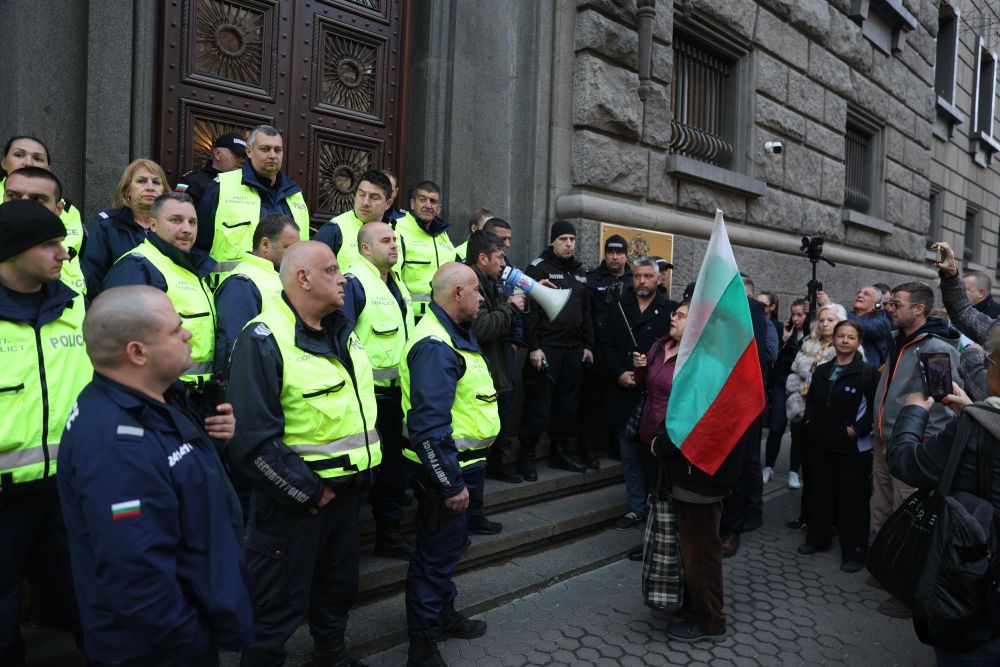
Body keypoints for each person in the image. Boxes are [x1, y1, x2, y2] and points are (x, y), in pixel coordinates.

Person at [58, 286, 253, 665]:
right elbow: (137, 578)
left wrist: (212, 442)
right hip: (162, 649)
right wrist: (192, 641)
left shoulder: (153, 400)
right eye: (175, 329)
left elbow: (177, 487)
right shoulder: (116, 446)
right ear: (137, 352)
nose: (189, 334)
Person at [227, 241, 380, 666]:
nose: (343, 277)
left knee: (337, 591)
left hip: (346, 497)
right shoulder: (263, 338)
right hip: (296, 507)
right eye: (331, 270)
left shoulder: (343, 331)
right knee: (274, 609)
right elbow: (252, 442)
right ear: (303, 278)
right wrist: (308, 492)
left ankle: (331, 656)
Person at [0, 200, 91, 665]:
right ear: (14, 250)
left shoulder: (72, 308)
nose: (64, 252)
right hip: (5, 498)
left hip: (65, 488)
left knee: (87, 595)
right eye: (50, 243)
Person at [399, 262, 496, 667]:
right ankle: (422, 644)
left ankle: (443, 612)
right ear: (457, 292)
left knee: (447, 551)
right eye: (476, 290)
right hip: (448, 470)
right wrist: (451, 483)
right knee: (433, 557)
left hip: (466, 465)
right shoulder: (435, 345)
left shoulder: (456, 333)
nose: (482, 297)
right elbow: (429, 428)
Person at [888, 330, 1000, 665]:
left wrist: (913, 413)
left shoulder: (978, 429)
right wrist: (972, 411)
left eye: (989, 359)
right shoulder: (980, 421)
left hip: (977, 587)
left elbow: (906, 463)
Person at [643, 301, 742, 642]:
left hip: (700, 475)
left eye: (683, 316)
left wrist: (661, 446)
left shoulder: (709, 369)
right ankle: (693, 605)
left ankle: (709, 620)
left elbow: (692, 423)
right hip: (690, 473)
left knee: (701, 552)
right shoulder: (706, 364)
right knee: (692, 548)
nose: (673, 317)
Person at [873, 281, 962, 619]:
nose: (889, 308)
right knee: (884, 510)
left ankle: (907, 592)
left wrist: (922, 450)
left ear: (918, 309)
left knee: (909, 520)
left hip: (912, 449)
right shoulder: (900, 341)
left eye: (896, 304)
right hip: (885, 443)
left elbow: (941, 405)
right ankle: (886, 571)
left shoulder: (935, 348)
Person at [341, 221, 416, 560]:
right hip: (368, 398)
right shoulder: (355, 284)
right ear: (365, 249)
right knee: (369, 473)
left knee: (393, 473)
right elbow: (340, 342)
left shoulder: (397, 284)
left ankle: (389, 535)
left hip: (397, 397)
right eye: (385, 240)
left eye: (395, 239)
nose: (394, 245)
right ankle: (347, 545)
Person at [103, 192, 217, 391]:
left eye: (193, 222)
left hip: (194, 400)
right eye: (176, 220)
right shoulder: (138, 266)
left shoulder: (190, 268)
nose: (187, 229)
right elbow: (125, 347)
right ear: (152, 225)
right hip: (162, 398)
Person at [797, 320, 877, 573]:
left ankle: (853, 552)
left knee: (852, 500)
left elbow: (875, 408)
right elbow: (811, 401)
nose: (844, 340)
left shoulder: (867, 373)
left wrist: (857, 430)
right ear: (833, 340)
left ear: (858, 342)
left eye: (850, 337)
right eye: (840, 336)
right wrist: (809, 422)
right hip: (820, 444)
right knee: (819, 493)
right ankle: (817, 539)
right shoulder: (821, 370)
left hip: (852, 449)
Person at [517, 220, 593, 479]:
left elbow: (586, 311)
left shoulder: (581, 271)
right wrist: (534, 347)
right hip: (547, 349)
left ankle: (559, 452)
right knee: (538, 405)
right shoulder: (539, 268)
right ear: (553, 241)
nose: (569, 244)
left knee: (567, 405)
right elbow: (530, 313)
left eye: (572, 239)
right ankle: (526, 455)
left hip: (573, 349)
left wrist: (588, 345)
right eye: (563, 239)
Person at [602, 258, 673, 529]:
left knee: (651, 459)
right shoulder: (619, 306)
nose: (642, 281)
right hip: (625, 393)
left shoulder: (670, 310)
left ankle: (656, 509)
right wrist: (619, 372)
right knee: (629, 455)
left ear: (658, 279)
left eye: (647, 276)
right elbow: (605, 344)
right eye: (637, 276)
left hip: (655, 397)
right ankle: (635, 508)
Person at [196, 125, 310, 272]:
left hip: (286, 290)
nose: (272, 155)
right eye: (265, 149)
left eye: (277, 150)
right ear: (249, 151)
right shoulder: (222, 186)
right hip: (237, 289)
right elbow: (197, 247)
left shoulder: (295, 193)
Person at [467, 230, 527, 511]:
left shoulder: (490, 281)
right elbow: (483, 328)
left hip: (494, 369)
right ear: (482, 258)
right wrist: (510, 306)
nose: (504, 264)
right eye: (500, 257)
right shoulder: (471, 283)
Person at [718, 276, 774, 558]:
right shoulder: (704, 305)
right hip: (710, 398)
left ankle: (733, 529)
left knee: (740, 466)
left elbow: (756, 359)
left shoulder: (751, 309)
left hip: (742, 402)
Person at [214, 213, 300, 373]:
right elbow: (233, 347)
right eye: (289, 248)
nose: (296, 255)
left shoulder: (277, 276)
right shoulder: (241, 283)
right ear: (265, 245)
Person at [2, 137, 87, 294]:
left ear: (49, 168)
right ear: (3, 161)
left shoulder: (70, 211)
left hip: (70, 296)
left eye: (38, 158)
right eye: (19, 155)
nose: (28, 162)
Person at [581, 234, 634, 464]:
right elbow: (585, 315)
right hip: (597, 350)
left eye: (619, 253)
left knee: (620, 403)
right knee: (591, 403)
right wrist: (587, 345)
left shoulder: (635, 279)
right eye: (611, 253)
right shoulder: (592, 279)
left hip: (623, 352)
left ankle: (616, 446)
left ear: (625, 255)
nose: (615, 257)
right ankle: (589, 450)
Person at [81, 158, 168, 296]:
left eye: (156, 182)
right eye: (141, 181)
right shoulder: (107, 226)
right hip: (120, 309)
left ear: (163, 192)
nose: (150, 187)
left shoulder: (173, 227)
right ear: (127, 191)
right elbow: (92, 278)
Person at [784, 303, 847, 493]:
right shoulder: (809, 344)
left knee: (826, 467)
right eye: (822, 320)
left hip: (829, 416)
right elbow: (794, 376)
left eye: (831, 320)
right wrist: (799, 408)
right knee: (806, 456)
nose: (825, 324)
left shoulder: (847, 347)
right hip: (805, 410)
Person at [393, 180, 458, 320]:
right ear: (412, 204)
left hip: (444, 315)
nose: (428, 205)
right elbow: (391, 278)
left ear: (439, 208)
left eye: (433, 201)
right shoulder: (397, 229)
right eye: (422, 200)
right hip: (411, 317)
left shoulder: (443, 235)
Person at [763, 298, 808, 484]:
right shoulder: (786, 330)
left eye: (800, 314)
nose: (796, 318)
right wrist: (784, 341)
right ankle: (768, 467)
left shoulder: (813, 335)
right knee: (776, 426)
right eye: (793, 314)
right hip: (782, 382)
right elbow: (776, 358)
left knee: (798, 430)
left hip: (800, 385)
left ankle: (793, 471)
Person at [314, 170, 394, 271]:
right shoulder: (334, 229)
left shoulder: (396, 232)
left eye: (374, 197)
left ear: (388, 204)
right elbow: (313, 273)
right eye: (361, 194)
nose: (365, 202)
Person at [175, 132, 247, 206]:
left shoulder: (248, 183)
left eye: (244, 157)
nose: (242, 160)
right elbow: (178, 211)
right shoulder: (191, 181)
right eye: (237, 155)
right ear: (217, 153)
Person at [847, 285, 891, 367]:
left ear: (877, 304)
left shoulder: (882, 322)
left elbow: (865, 327)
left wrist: (836, 311)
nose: (859, 295)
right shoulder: (846, 315)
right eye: (858, 293)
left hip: (865, 374)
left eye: (866, 294)